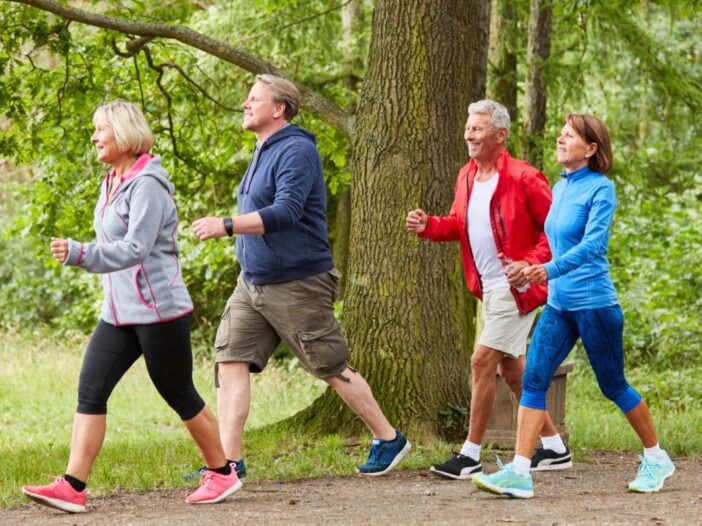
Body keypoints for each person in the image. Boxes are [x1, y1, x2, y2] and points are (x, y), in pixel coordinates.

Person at [22, 100, 241, 513]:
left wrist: (80, 253)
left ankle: (223, 473)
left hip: (160, 311)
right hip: (119, 314)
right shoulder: (112, 180)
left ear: (123, 133)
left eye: (100, 129)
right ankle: (72, 486)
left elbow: (136, 248)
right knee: (91, 389)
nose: (94, 137)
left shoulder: (148, 185)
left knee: (178, 392)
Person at [192, 74, 410, 476]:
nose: (245, 103)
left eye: (254, 98)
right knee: (231, 360)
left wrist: (226, 224)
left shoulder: (295, 150)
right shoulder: (263, 149)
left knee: (330, 365)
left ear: (279, 109)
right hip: (252, 282)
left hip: (297, 283)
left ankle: (388, 438)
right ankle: (227, 465)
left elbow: (287, 211)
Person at [472, 114, 675, 498]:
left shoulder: (601, 190)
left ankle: (656, 456)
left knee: (612, 384)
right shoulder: (561, 187)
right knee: (534, 379)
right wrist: (529, 267)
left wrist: (545, 270)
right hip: (560, 305)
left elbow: (593, 246)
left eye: (570, 135)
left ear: (592, 149)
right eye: (561, 134)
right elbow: (553, 242)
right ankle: (519, 472)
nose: (561, 139)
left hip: (595, 304)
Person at [406, 100, 570, 479]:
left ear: (500, 135)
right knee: (512, 371)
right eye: (468, 128)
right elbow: (458, 224)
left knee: (481, 362)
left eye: (478, 129)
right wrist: (428, 225)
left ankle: (470, 454)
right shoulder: (466, 176)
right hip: (489, 290)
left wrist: (531, 265)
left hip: (519, 291)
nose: (469, 134)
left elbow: (556, 232)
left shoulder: (526, 178)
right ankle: (555, 448)